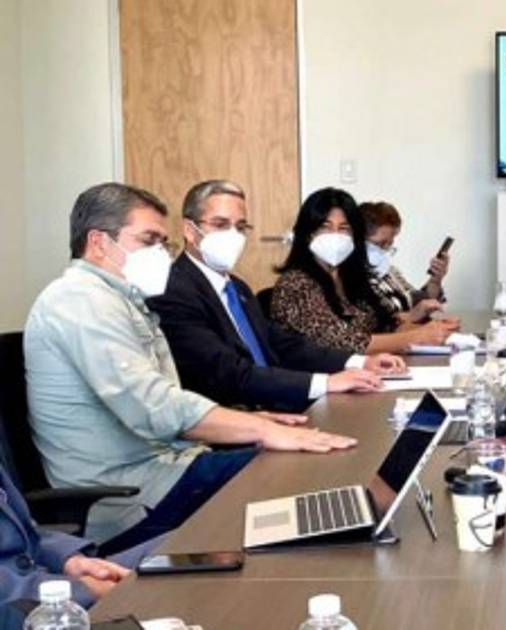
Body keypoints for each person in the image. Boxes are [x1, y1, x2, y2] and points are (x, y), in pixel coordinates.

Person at [24, 183, 357, 553]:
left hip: (169, 465)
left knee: (300, 467)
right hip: (127, 495)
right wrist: (260, 429)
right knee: (294, 469)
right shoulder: (79, 300)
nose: (160, 254)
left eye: (162, 243)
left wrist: (249, 422)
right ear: (99, 242)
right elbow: (153, 406)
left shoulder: (122, 300)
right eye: (148, 240)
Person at [148, 180, 408, 412]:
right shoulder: (173, 291)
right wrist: (325, 383)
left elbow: (282, 344)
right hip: (236, 418)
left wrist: (359, 362)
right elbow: (227, 373)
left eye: (240, 227)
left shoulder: (237, 287)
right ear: (190, 230)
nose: (233, 235)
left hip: (276, 402)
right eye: (220, 224)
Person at [269, 188, 457, 354]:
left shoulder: (349, 277)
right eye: (325, 227)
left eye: (344, 228)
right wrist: (418, 336)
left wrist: (438, 329)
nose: (335, 235)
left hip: (369, 370)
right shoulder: (295, 283)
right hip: (327, 378)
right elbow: (343, 342)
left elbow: (385, 326)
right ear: (307, 233)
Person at [0, 465, 157, 611]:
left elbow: (26, 531)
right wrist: (83, 590)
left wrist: (68, 560)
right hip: (23, 606)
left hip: (48, 576)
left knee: (163, 551)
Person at [360, 201, 451, 326]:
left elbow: (420, 301)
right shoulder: (349, 281)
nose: (385, 251)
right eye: (380, 244)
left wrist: (435, 280)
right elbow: (365, 328)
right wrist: (411, 316)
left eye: (389, 245)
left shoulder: (390, 273)